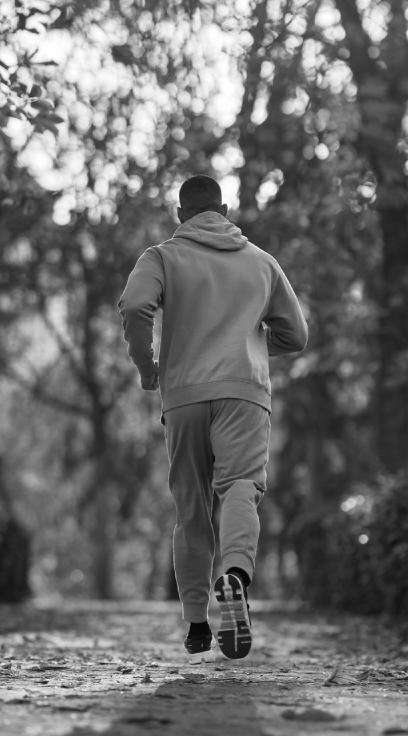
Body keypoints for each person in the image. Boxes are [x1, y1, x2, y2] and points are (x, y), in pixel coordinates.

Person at [118, 174, 308, 663]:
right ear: (225, 210)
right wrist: (253, 343)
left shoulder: (162, 257)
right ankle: (236, 576)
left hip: (182, 395)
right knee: (241, 486)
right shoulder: (262, 262)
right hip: (244, 392)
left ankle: (197, 623)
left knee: (191, 506)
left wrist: (148, 368)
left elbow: (136, 306)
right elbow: (297, 335)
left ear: (180, 214)